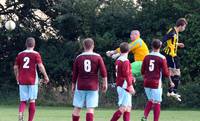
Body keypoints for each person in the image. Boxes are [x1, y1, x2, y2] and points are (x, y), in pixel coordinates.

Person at [71, 38, 108, 121]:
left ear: (84, 46)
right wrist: (105, 83)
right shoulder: (98, 57)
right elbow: (104, 72)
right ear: (93, 46)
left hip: (80, 85)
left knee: (77, 107)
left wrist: (73, 85)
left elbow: (75, 74)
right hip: (93, 86)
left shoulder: (79, 57)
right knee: (90, 109)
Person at [14, 37, 49, 121]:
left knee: (23, 100)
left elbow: (15, 67)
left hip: (22, 79)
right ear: (34, 45)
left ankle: (20, 114)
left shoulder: (20, 54)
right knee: (32, 100)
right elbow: (40, 66)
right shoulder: (36, 54)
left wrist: (17, 77)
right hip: (32, 80)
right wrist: (46, 76)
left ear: (26, 44)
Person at [141, 39, 174, 121]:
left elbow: (142, 71)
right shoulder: (162, 58)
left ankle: (144, 117)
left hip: (146, 82)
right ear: (160, 47)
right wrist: (171, 81)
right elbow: (166, 73)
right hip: (156, 83)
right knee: (157, 102)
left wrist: (146, 77)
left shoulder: (146, 56)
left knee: (151, 100)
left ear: (152, 46)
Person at [162, 18, 188, 101]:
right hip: (170, 55)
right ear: (180, 26)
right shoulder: (172, 32)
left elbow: (171, 42)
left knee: (175, 72)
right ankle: (172, 91)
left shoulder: (175, 32)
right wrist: (158, 46)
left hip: (173, 55)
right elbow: (165, 39)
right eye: (184, 27)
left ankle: (171, 91)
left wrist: (177, 44)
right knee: (175, 72)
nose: (184, 28)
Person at [110, 42, 136, 121]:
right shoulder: (125, 61)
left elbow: (124, 74)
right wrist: (130, 85)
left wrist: (131, 78)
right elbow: (126, 74)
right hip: (124, 86)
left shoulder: (118, 60)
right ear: (129, 51)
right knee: (123, 108)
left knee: (128, 108)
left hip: (121, 85)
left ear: (120, 51)